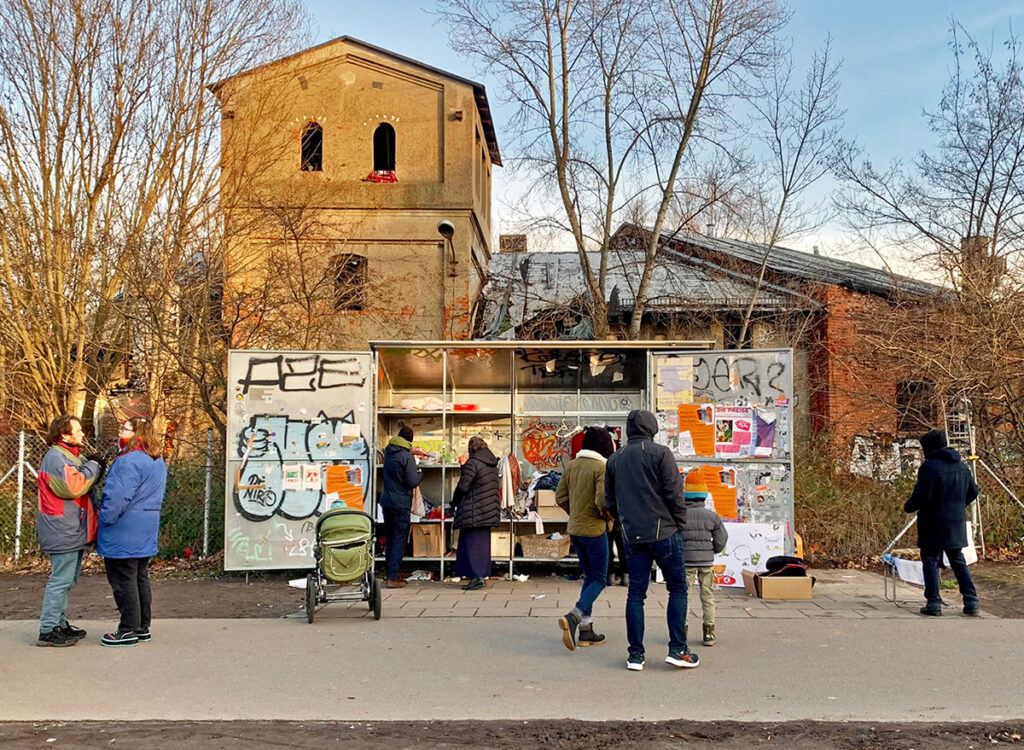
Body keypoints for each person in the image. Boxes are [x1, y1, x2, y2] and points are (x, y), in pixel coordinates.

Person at [605, 409, 697, 671]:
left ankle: (636, 655)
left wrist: (624, 522)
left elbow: (609, 501)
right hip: (664, 532)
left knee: (636, 594)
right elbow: (675, 493)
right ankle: (678, 649)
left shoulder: (615, 459)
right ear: (651, 428)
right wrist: (680, 523)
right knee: (678, 588)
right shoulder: (660, 454)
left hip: (632, 536)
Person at [96, 417, 167, 647]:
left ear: (136, 433)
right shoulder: (156, 460)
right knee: (139, 577)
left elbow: (117, 497)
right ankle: (142, 626)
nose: (121, 432)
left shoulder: (127, 461)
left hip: (124, 529)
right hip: (146, 527)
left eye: (125, 428)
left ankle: (127, 630)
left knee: (123, 580)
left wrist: (103, 519)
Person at [36, 415, 105, 647]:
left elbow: (82, 478)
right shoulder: (55, 458)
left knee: (68, 579)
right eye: (78, 430)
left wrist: (92, 466)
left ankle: (59, 623)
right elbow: (73, 486)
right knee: (60, 580)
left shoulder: (68, 456)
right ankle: (48, 629)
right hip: (62, 529)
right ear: (64, 435)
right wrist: (95, 465)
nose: (83, 434)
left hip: (71, 528)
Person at [904, 428, 980, 616]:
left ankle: (933, 602)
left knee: (930, 559)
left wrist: (908, 506)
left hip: (933, 522)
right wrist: (957, 506)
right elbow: (974, 491)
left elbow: (922, 496)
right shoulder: (962, 466)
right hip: (956, 521)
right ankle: (971, 601)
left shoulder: (929, 468)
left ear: (929, 448)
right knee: (957, 559)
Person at [555, 426, 615, 650]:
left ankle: (586, 631)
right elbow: (602, 501)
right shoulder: (602, 467)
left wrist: (575, 514)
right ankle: (575, 616)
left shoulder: (571, 465)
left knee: (589, 577)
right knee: (599, 579)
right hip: (595, 530)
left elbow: (560, 496)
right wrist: (609, 519)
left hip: (576, 530)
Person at [681, 470, 727, 646]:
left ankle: (682, 631)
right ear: (703, 495)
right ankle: (709, 633)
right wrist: (712, 550)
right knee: (707, 595)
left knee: (685, 596)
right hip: (706, 562)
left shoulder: (681, 515)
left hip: (686, 562)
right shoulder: (712, 516)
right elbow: (722, 539)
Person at [452, 435, 500, 591]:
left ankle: (476, 577)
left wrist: (454, 503)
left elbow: (463, 486)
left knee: (471, 545)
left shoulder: (473, 463)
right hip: (488, 509)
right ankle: (480, 575)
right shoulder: (491, 463)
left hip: (474, 509)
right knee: (481, 545)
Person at [378, 425, 423, 588]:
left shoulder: (388, 452)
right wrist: (420, 474)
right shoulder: (406, 456)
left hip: (386, 501)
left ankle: (389, 572)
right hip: (400, 503)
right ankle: (392, 577)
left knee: (390, 538)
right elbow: (411, 481)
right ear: (410, 439)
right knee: (399, 539)